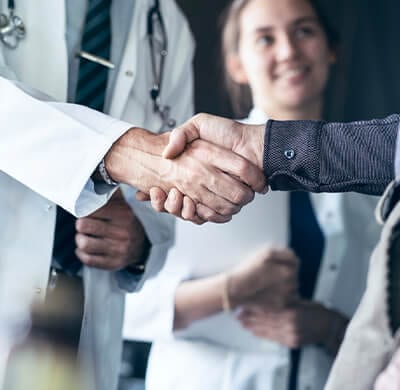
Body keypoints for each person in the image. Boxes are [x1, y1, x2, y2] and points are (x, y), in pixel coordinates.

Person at [0, 1, 267, 390]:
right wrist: (123, 153)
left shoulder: (166, 24)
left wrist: (138, 243)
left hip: (85, 330)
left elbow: (161, 221)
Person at [124, 1, 380, 389]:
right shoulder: (193, 163)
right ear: (236, 65)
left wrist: (331, 328)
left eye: (304, 31)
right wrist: (229, 291)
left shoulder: (375, 182)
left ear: (332, 48)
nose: (289, 51)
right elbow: (118, 304)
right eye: (265, 38)